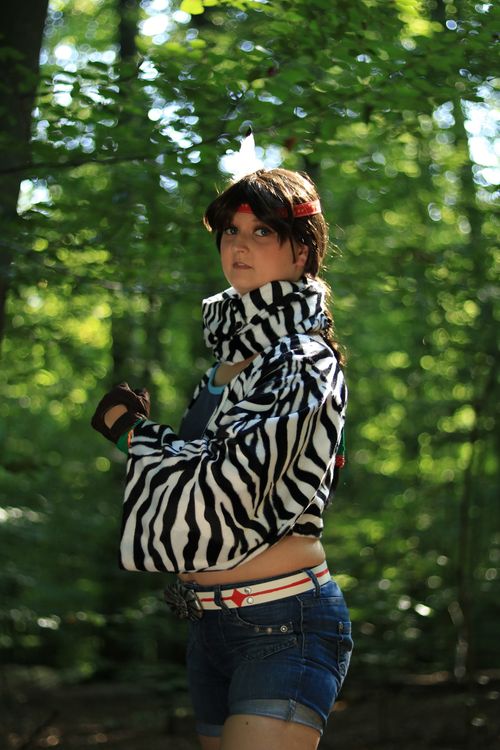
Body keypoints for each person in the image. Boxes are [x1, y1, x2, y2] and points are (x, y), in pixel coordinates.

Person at [91, 168, 352, 750]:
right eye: (230, 231)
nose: (239, 244)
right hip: (208, 625)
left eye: (262, 231)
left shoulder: (301, 359)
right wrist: (146, 441)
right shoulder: (226, 364)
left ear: (302, 250)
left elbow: (229, 482)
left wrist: (135, 436)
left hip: (284, 621)